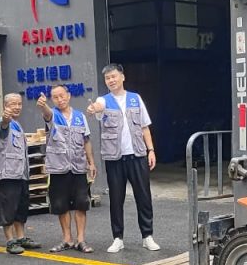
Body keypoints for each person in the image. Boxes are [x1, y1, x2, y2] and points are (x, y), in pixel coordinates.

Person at [86, 64, 160, 253]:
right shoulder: (103, 100)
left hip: (137, 155)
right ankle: (118, 238)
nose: (111, 80)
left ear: (122, 77)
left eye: (114, 76)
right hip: (115, 158)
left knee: (143, 197)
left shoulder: (135, 98)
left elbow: (144, 127)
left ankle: (147, 236)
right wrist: (94, 108)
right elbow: (98, 108)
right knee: (116, 198)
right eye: (107, 78)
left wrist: (151, 150)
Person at [38, 85, 97, 253]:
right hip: (58, 168)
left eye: (62, 95)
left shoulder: (80, 117)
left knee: (81, 204)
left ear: (69, 96)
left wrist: (91, 162)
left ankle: (81, 240)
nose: (60, 99)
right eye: (55, 97)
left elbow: (86, 141)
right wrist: (43, 105)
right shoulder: (52, 115)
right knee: (61, 205)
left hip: (78, 167)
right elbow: (47, 114)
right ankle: (67, 239)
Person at [0, 93, 40, 255]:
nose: (17, 107)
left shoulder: (18, 125)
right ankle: (10, 241)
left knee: (21, 207)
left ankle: (21, 237)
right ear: (5, 106)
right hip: (8, 173)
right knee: (8, 208)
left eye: (19, 104)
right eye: (13, 104)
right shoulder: (2, 121)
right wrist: (5, 119)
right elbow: (2, 126)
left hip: (21, 173)